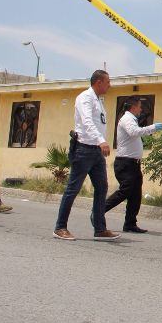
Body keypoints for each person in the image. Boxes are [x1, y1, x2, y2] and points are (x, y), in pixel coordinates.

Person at [53, 70, 119, 241]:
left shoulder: (98, 100)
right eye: (107, 81)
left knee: (102, 187)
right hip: (83, 149)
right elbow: (87, 121)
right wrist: (101, 141)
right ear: (99, 82)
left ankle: (100, 228)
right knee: (73, 189)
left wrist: (100, 142)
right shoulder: (85, 98)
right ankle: (60, 227)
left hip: (96, 151)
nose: (109, 85)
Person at [104, 96, 162, 233]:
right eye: (139, 106)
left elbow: (135, 133)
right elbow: (134, 132)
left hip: (133, 164)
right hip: (125, 163)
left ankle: (130, 224)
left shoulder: (132, 120)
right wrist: (152, 127)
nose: (141, 109)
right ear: (133, 107)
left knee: (135, 194)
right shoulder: (127, 119)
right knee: (125, 191)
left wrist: (149, 130)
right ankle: (99, 210)